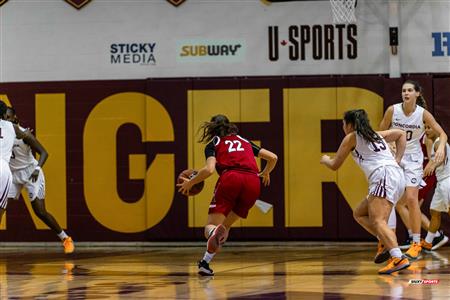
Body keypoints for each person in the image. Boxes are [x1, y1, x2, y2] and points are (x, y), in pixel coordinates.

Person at [177, 114, 277, 276]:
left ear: (212, 128)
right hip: (253, 181)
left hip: (231, 177)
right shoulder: (244, 141)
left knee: (211, 227)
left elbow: (209, 170)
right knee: (224, 227)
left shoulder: (214, 143)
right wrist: (265, 172)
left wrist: (191, 182)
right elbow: (273, 157)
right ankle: (205, 263)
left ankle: (212, 234)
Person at [321, 109, 409, 274]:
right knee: (359, 213)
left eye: (343, 123)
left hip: (383, 175)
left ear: (350, 124)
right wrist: (397, 159)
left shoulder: (351, 137)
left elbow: (334, 165)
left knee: (378, 220)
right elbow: (401, 134)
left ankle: (398, 257)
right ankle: (384, 241)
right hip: (394, 176)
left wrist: (325, 160)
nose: (343, 126)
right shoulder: (376, 134)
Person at [379, 80, 447, 260]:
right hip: (395, 157)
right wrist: (389, 145)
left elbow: (442, 133)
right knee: (390, 199)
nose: (406, 93)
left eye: (409, 90)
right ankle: (385, 242)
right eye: (403, 90)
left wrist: (440, 149)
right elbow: (381, 132)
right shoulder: (392, 110)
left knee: (411, 199)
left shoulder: (423, 114)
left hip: (414, 159)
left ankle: (416, 243)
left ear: (417, 94)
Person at [3, 107, 74, 254]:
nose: (6, 120)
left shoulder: (24, 134)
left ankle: (65, 238)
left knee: (40, 211)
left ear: (14, 118)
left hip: (30, 172)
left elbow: (44, 153)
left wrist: (37, 169)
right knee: (1, 207)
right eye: (5, 118)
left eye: (9, 118)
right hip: (12, 174)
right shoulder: (4, 132)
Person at [0, 101, 34, 224]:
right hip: (3, 169)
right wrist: (27, 133)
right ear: (4, 115)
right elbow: (22, 135)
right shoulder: (12, 127)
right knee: (1, 209)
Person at [421, 123, 450, 251]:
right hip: (441, 183)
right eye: (425, 128)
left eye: (429, 127)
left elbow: (441, 158)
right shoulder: (433, 143)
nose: (426, 130)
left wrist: (432, 166)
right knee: (434, 211)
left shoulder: (439, 143)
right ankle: (428, 242)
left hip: (447, 181)